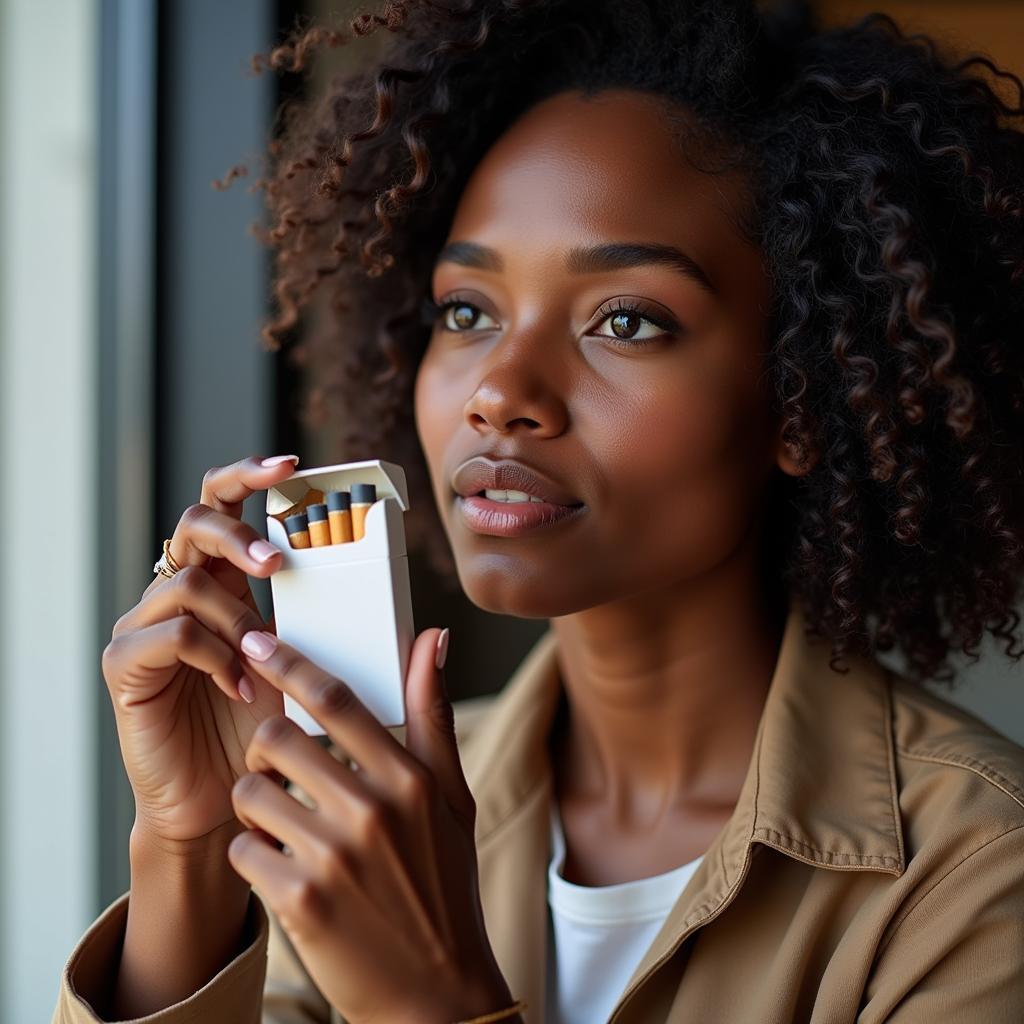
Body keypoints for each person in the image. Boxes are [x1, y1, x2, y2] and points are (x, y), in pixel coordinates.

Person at [53, 1, 1024, 1021]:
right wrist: (190, 847)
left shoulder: (975, 874)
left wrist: (435, 1000)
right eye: (466, 312)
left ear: (803, 396)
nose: (499, 387)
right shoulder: (366, 794)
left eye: (626, 319)